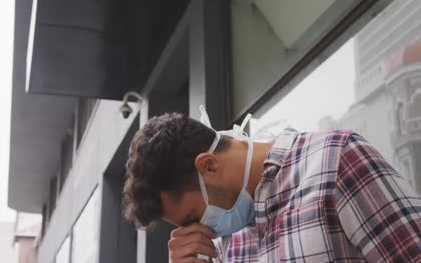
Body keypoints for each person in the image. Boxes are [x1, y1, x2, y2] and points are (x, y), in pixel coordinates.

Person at [122, 110, 421, 263]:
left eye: (193, 218)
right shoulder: (227, 242)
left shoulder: (334, 159)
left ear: (209, 166)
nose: (200, 231)